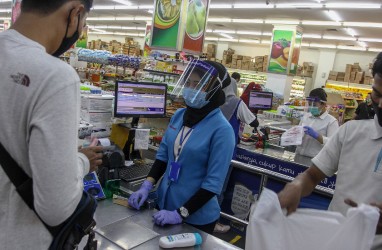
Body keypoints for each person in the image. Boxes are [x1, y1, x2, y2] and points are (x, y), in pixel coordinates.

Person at [0, 0, 103, 248]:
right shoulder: (55, 76)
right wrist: (80, 162)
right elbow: (56, 208)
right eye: (84, 23)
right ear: (75, 13)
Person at [278, 52, 382, 249]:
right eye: (377, 95)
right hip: (334, 240)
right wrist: (297, 186)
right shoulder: (350, 132)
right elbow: (312, 175)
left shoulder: (333, 122)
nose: (381, 104)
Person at [128, 60, 235, 234]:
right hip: (164, 204)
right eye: (188, 83)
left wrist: (180, 213)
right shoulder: (179, 115)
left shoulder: (222, 130)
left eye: (198, 84)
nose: (191, 88)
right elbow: (163, 157)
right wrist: (146, 186)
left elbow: (213, 184)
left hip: (196, 217)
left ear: (214, 88)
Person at [214, 77, 260, 234]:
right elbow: (253, 121)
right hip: (227, 151)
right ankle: (215, 221)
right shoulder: (236, 102)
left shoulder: (213, 98)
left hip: (210, 147)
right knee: (219, 187)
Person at [295, 88, 339, 158]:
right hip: (298, 154)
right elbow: (298, 134)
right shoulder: (306, 116)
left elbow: (333, 144)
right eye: (310, 104)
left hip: (315, 160)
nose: (311, 107)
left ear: (323, 104)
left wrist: (317, 136)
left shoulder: (331, 122)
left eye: (314, 105)